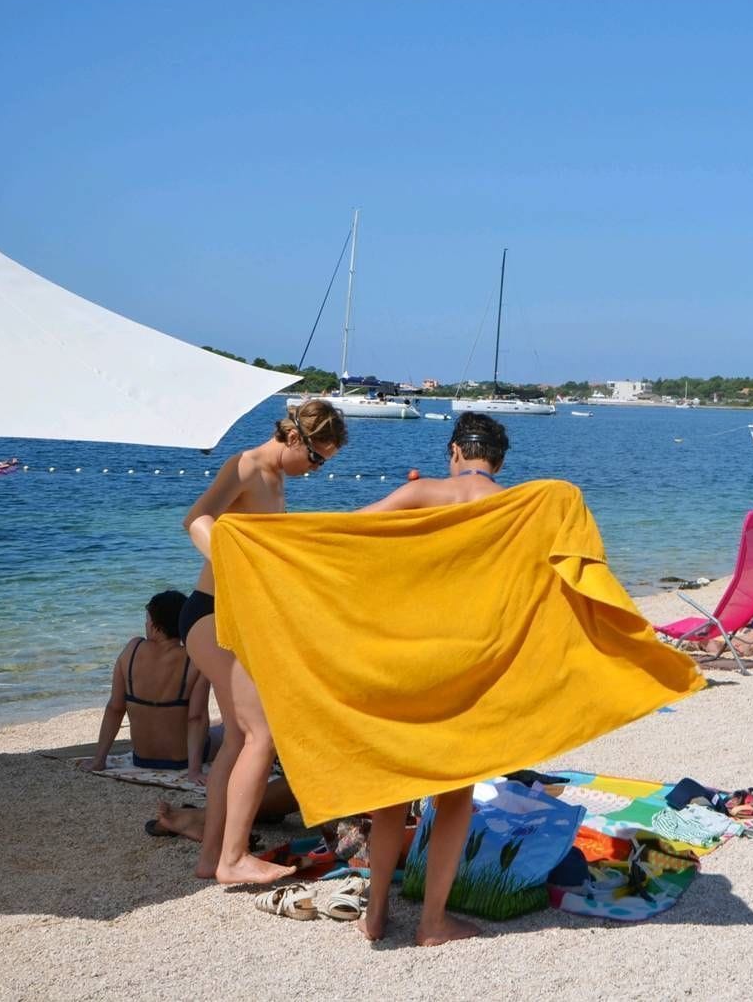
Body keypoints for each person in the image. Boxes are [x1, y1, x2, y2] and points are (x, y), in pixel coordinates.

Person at [345, 411, 511, 947]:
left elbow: (347, 534)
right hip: (466, 657)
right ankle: (433, 922)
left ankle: (375, 915)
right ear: (497, 460)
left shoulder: (420, 494)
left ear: (456, 451)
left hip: (404, 652)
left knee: (392, 786)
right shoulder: (512, 505)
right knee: (455, 792)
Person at [179, 399, 347, 886]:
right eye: (316, 459)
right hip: (208, 613)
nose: (314, 470)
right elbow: (195, 518)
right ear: (296, 437)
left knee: (237, 737)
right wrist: (235, 567)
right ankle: (234, 860)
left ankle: (212, 857)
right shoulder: (247, 465)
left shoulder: (276, 482)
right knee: (262, 734)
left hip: (236, 616)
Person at [86, 590, 210, 777]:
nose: (146, 624)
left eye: (148, 620)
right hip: (181, 760)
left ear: (156, 627)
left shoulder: (132, 649)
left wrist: (99, 761)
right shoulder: (195, 659)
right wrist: (194, 771)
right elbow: (197, 718)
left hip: (142, 757)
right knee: (228, 731)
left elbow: (115, 708)